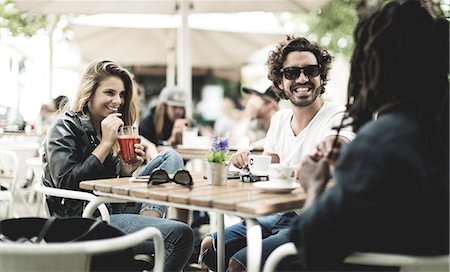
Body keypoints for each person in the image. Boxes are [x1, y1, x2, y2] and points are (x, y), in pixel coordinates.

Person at [285, 1, 449, 271]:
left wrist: (313, 185)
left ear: (376, 64)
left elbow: (314, 244)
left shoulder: (383, 138)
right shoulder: (434, 127)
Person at [199, 36, 355, 271]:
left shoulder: (339, 116)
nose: (302, 79)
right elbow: (269, 164)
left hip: (319, 220)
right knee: (209, 244)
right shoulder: (280, 119)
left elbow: (335, 150)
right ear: (280, 82)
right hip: (279, 213)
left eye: (310, 70)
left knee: (238, 263)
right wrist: (247, 159)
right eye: (292, 73)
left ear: (321, 77)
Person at [42, 60, 194, 271]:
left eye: (121, 94)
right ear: (90, 93)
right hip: (86, 218)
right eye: (110, 93)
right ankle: (146, 235)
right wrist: (105, 144)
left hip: (112, 206)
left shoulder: (108, 125)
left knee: (171, 157)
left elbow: (108, 182)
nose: (118, 101)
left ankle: (147, 223)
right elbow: (66, 183)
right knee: (182, 234)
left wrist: (125, 169)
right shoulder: (64, 127)